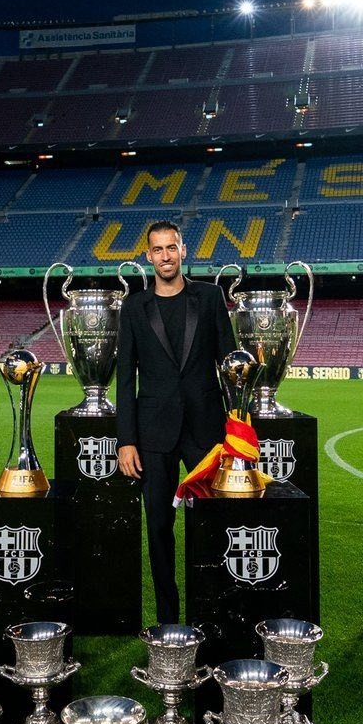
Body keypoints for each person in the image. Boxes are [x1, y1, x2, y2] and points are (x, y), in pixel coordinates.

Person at [115, 220, 232, 623]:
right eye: (158, 249)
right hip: (153, 435)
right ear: (148, 256)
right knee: (159, 528)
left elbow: (229, 366)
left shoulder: (211, 297)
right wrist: (126, 440)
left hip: (206, 431)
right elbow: (125, 378)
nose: (165, 256)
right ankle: (168, 620)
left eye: (171, 247)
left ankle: (209, 614)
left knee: (209, 526)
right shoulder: (134, 307)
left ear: (183, 251)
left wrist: (236, 433)